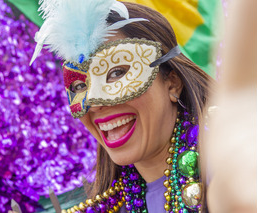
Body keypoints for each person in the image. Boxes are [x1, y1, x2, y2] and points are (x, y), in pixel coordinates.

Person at [30, 0, 214, 212]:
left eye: (117, 73)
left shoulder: (229, 171)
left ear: (172, 83)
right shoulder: (115, 205)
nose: (95, 103)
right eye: (80, 85)